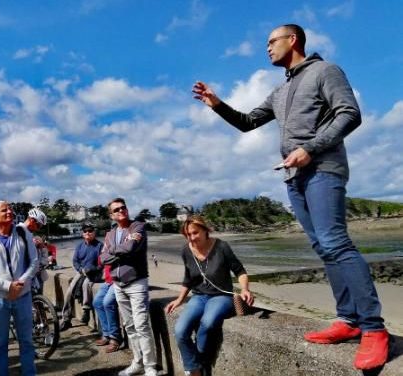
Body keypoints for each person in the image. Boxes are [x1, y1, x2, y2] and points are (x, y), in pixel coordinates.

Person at [192, 23, 389, 370]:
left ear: (292, 40)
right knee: (323, 247)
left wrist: (310, 149)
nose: (267, 48)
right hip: (294, 176)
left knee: (336, 242)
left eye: (272, 41)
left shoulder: (325, 71)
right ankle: (348, 320)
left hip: (323, 168)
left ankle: (373, 327)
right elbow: (248, 122)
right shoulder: (280, 92)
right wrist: (217, 104)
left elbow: (349, 113)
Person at [165, 216, 254, 376]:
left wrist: (245, 289)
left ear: (205, 230)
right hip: (199, 297)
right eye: (188, 235)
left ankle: (201, 365)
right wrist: (179, 300)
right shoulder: (186, 250)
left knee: (208, 323)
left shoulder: (221, 247)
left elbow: (240, 271)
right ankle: (195, 369)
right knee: (180, 331)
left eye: (195, 233)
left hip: (221, 296)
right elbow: (189, 279)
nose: (191, 238)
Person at [0, 201, 39, 376]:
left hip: (23, 295)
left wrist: (20, 283)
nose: (10, 212)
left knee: (26, 341)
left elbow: (34, 262)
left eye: (10, 209)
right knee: (0, 344)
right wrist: (8, 286)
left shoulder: (22, 233)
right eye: (4, 210)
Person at [101, 198, 157, 376]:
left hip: (137, 282)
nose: (121, 211)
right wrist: (119, 250)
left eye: (123, 207)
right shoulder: (110, 234)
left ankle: (150, 367)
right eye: (116, 210)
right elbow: (102, 259)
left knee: (141, 325)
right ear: (111, 214)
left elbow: (131, 247)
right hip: (118, 285)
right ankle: (137, 362)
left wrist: (113, 251)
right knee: (130, 327)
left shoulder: (137, 226)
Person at [59, 224, 103, 331]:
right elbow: (75, 261)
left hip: (94, 273)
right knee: (69, 292)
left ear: (94, 233)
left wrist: (92, 269)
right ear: (83, 234)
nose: (87, 233)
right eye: (85, 231)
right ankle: (66, 319)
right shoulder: (79, 246)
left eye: (90, 230)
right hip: (81, 272)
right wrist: (80, 270)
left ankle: (86, 311)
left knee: (85, 285)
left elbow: (102, 263)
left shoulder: (100, 245)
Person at [93, 257, 122, 353]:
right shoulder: (108, 242)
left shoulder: (118, 242)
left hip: (118, 280)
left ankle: (115, 338)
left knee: (107, 302)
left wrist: (108, 256)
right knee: (97, 302)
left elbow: (114, 257)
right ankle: (106, 334)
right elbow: (101, 260)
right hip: (108, 280)